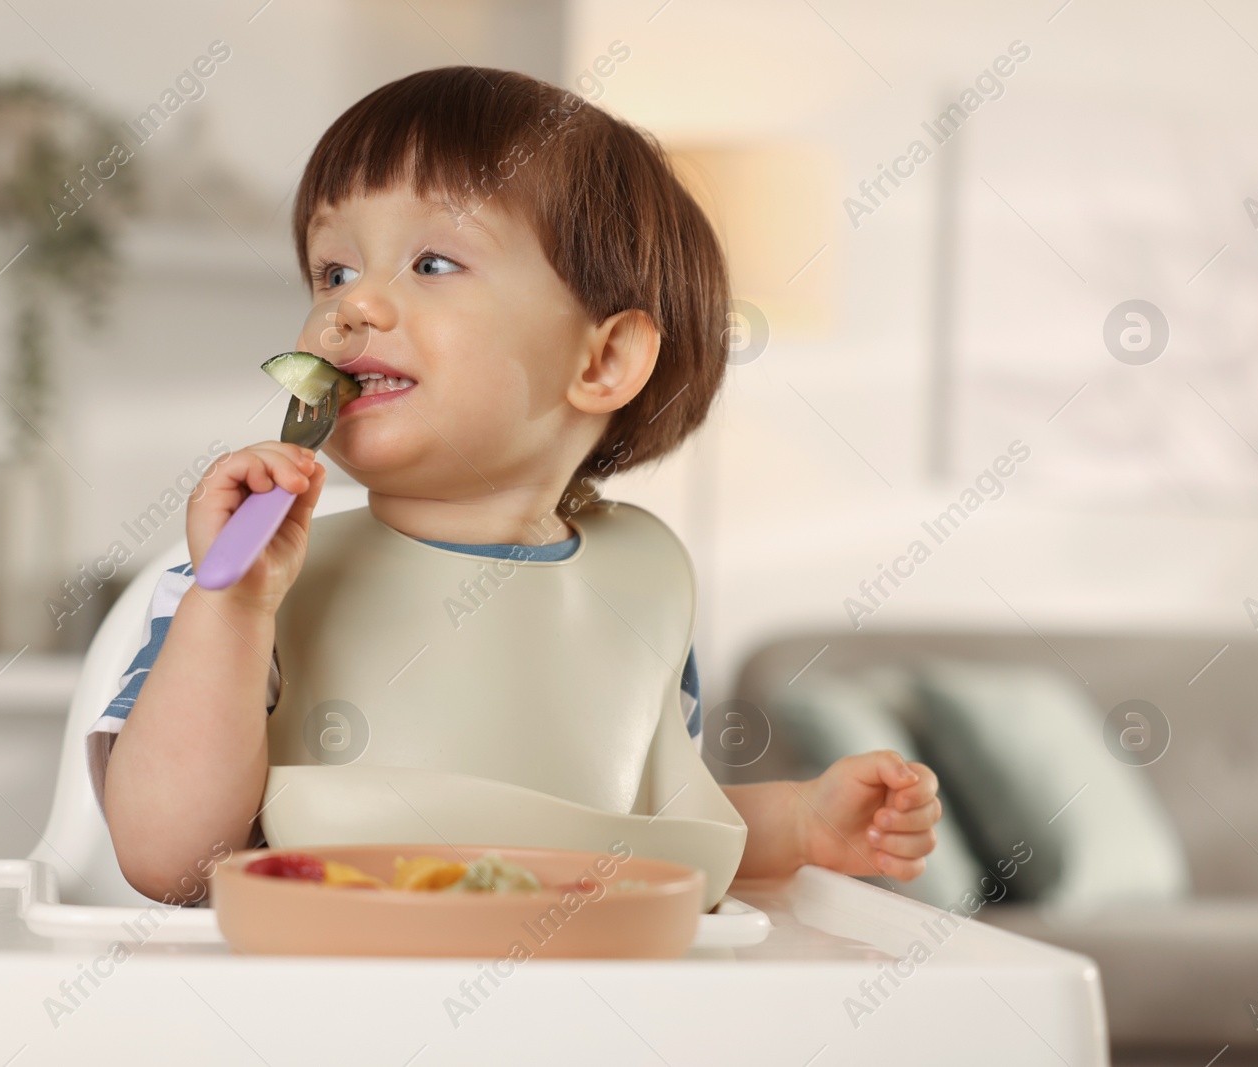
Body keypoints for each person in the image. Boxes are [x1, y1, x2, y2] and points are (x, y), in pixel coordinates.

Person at [96, 65, 940, 907]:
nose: (351, 312)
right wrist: (231, 609)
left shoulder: (643, 579)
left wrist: (799, 825)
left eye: (431, 262)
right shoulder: (253, 573)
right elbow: (172, 857)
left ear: (604, 359)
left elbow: (625, 823)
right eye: (334, 271)